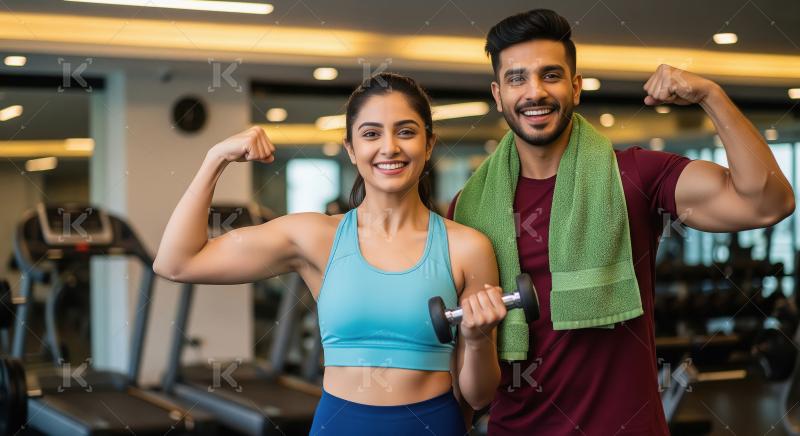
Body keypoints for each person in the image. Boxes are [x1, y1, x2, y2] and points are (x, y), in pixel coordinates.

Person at [447, 9, 795, 435]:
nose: (534, 92)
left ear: (576, 87)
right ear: (498, 95)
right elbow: (465, 375)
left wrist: (711, 96)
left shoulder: (632, 175)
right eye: (518, 79)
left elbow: (767, 201)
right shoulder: (468, 208)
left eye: (551, 75)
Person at [154, 73, 509, 435]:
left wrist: (479, 339)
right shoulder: (315, 237)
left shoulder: (467, 247)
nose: (389, 147)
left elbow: (479, 397)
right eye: (371, 134)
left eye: (405, 131)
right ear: (351, 149)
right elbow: (176, 262)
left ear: (429, 143)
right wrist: (216, 158)